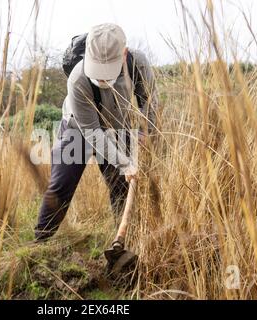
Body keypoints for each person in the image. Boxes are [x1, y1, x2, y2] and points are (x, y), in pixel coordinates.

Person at [35, 23, 157, 242]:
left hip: (118, 128)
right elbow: (92, 133)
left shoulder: (138, 63)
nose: (101, 79)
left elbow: (149, 101)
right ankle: (40, 241)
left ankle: (124, 241)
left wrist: (148, 132)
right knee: (61, 185)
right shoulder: (77, 79)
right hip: (78, 129)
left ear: (124, 53)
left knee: (121, 185)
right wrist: (125, 162)